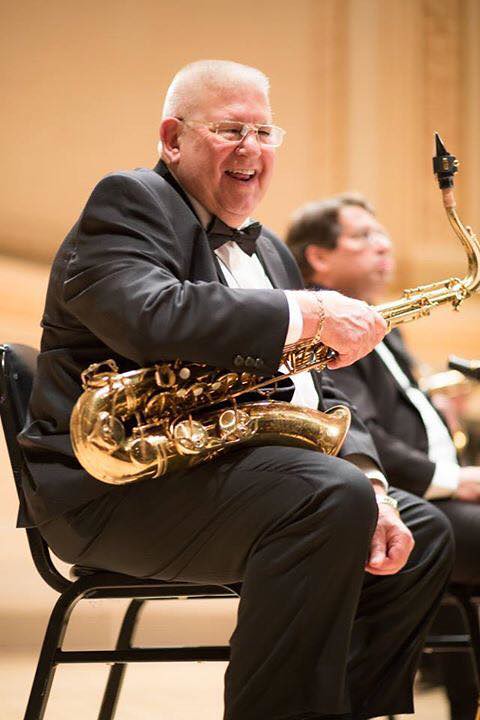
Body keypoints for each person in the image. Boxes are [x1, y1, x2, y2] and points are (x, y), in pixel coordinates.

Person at [19, 62, 454, 720]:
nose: (251, 147)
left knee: (419, 528)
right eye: (229, 130)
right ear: (173, 139)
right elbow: (150, 316)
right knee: (325, 498)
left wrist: (373, 483)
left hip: (222, 475)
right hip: (113, 490)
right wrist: (308, 309)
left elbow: (319, 386)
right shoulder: (130, 203)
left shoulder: (270, 251)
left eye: (264, 132)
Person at [286, 192, 480, 720]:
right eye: (364, 236)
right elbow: (354, 428)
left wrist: (437, 416)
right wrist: (454, 479)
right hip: (397, 498)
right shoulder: (326, 331)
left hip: (420, 496)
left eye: (383, 233)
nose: (385, 245)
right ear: (319, 257)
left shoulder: (383, 326)